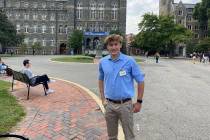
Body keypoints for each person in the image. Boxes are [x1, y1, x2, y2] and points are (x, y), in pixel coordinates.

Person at [98, 34, 145, 140]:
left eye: (116, 44)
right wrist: (103, 98)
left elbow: (141, 81)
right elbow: (100, 79)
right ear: (107, 47)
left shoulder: (129, 61)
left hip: (125, 105)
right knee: (112, 136)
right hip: (109, 105)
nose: (113, 47)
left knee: (129, 136)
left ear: (120, 45)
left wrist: (139, 102)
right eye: (111, 45)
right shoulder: (103, 62)